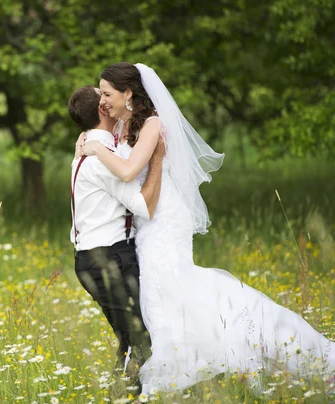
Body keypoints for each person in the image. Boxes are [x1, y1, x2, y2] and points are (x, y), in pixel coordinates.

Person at [77, 62, 335, 396]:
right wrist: (91, 141)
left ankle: (282, 345)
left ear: (128, 93)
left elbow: (127, 172)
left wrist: (96, 149)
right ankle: (182, 366)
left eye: (109, 93)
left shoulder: (153, 124)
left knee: (171, 285)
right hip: (144, 221)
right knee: (162, 295)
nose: (104, 101)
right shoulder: (121, 127)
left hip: (164, 218)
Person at [67, 85, 166, 384]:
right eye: (104, 97)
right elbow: (143, 207)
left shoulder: (86, 150)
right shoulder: (100, 159)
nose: (110, 100)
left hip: (92, 259)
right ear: (101, 109)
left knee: (128, 341)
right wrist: (158, 160)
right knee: (141, 342)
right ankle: (125, 396)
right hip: (109, 260)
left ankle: (120, 394)